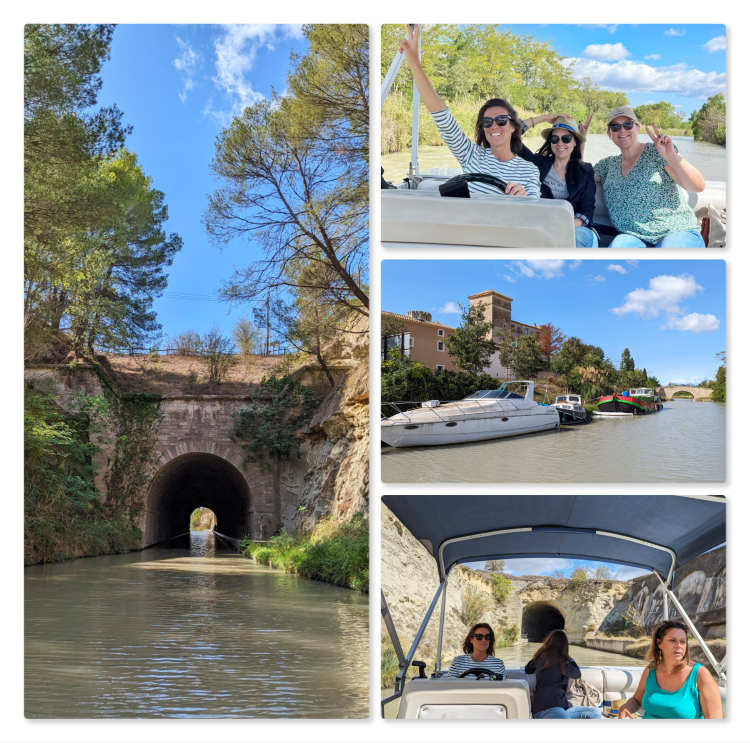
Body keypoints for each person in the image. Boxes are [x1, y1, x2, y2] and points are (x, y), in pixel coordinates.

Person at [398, 25, 541, 198]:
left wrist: (523, 198)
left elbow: (535, 211)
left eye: (501, 119)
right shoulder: (471, 155)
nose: (494, 126)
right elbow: (443, 118)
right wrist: (414, 63)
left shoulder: (529, 169)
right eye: (487, 122)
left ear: (513, 126)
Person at [594, 106, 706, 247]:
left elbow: (697, 186)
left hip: (676, 231)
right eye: (615, 127)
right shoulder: (606, 165)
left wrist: (671, 156)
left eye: (628, 125)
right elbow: (575, 176)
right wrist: (577, 141)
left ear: (637, 127)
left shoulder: (658, 151)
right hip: (632, 236)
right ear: (609, 134)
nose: (622, 130)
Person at [518, 114, 598, 247]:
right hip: (540, 226)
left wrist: (561, 226)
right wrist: (544, 118)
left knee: (576, 238)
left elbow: (587, 208)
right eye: (555, 139)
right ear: (550, 142)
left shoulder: (586, 170)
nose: (560, 143)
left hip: (576, 229)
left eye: (566, 138)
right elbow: (510, 135)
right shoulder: (537, 162)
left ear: (575, 142)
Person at [617, 621, 723, 719]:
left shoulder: (700, 674)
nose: (678, 646)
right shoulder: (651, 670)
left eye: (683, 641)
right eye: (672, 640)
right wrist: (626, 707)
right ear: (659, 643)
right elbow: (637, 700)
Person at [524, 629, 602, 719]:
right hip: (549, 708)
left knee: (594, 712)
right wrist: (571, 659)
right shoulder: (563, 659)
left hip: (556, 708)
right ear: (564, 644)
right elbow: (577, 674)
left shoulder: (540, 656)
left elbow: (528, 669)